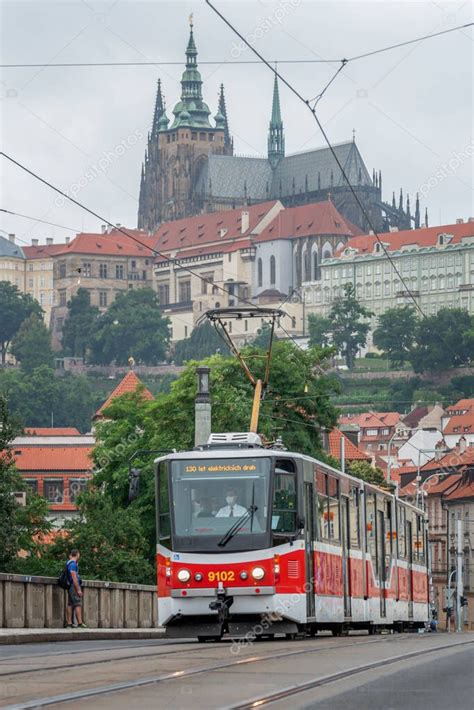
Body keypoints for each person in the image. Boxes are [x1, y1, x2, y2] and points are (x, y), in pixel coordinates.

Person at [65, 549, 87, 628]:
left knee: (70, 604)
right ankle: (80, 623)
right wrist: (78, 589)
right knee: (78, 604)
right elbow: (74, 577)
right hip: (73, 586)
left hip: (70, 585)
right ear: (77, 554)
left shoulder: (69, 563)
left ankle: (69, 623)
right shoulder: (73, 564)